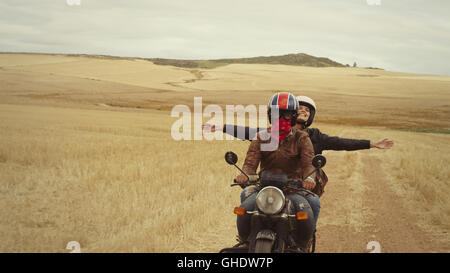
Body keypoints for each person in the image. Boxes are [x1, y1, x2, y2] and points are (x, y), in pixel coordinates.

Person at [203, 95, 394, 228]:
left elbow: (341, 142)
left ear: (310, 115)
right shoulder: (269, 133)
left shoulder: (312, 137)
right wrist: (221, 127)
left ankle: (307, 236)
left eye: (306, 110)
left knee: (314, 204)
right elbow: (248, 135)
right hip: (269, 182)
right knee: (246, 199)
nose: (302, 112)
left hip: (299, 183)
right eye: (298, 108)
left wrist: (372, 143)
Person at [235, 92, 318, 250]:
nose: (281, 119)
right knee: (245, 204)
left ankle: (304, 244)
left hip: (294, 188)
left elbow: (309, 163)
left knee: (312, 203)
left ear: (293, 117)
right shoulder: (262, 136)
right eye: (276, 114)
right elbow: (250, 162)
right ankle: (245, 241)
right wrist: (244, 175)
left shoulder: (302, 138)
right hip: (264, 187)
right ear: (270, 115)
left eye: (286, 115)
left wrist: (309, 178)